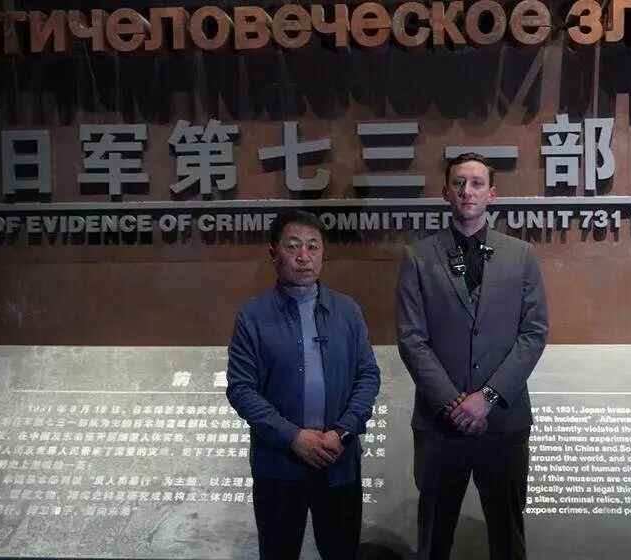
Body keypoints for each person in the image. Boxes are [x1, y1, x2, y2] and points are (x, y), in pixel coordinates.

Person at [395, 153, 549, 560]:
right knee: (433, 536)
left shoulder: (521, 255)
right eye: (459, 183)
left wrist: (488, 397)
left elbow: (533, 333)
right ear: (446, 192)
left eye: (477, 183)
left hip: (504, 423)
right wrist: (453, 402)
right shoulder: (418, 257)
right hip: (439, 424)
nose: (467, 191)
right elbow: (411, 339)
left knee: (508, 536)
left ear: (491, 193)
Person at [227, 209, 381, 560]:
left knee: (341, 551)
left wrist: (342, 432)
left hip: (338, 459)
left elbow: (368, 375)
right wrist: (293, 437)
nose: (303, 256)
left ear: (323, 253)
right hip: (278, 463)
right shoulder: (253, 316)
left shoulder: (347, 311)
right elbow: (241, 388)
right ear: (273, 252)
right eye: (293, 246)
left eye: (313, 246)